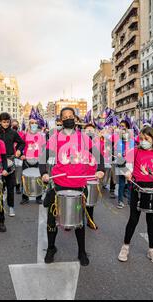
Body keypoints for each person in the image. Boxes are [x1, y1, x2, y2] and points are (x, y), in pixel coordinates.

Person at [40, 107, 105, 266]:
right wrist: (43, 173)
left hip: (78, 184)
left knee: (79, 220)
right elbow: (43, 156)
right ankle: (51, 248)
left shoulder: (83, 137)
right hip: (59, 185)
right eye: (65, 117)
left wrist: (101, 169)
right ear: (61, 120)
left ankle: (81, 251)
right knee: (52, 218)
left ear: (75, 118)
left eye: (71, 116)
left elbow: (97, 155)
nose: (68, 119)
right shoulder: (55, 138)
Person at [117, 127, 153, 264]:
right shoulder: (135, 151)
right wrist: (127, 173)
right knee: (133, 219)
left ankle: (151, 250)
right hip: (137, 188)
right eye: (141, 138)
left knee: (151, 220)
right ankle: (125, 246)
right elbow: (119, 162)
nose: (143, 141)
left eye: (146, 139)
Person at [0, 113, 25, 217]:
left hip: (10, 160)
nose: (5, 124)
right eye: (3, 122)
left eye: (7, 122)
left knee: (10, 186)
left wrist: (19, 150)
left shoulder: (13, 132)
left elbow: (22, 142)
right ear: (0, 121)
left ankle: (11, 206)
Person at [20, 118, 44, 205]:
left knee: (39, 179)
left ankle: (39, 197)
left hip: (38, 160)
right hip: (27, 159)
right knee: (25, 179)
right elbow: (20, 146)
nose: (34, 124)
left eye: (35, 123)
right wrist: (21, 155)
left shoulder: (41, 135)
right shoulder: (25, 135)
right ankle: (25, 197)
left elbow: (45, 147)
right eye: (32, 123)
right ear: (29, 125)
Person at [84, 123, 99, 229]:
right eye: (87, 130)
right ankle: (74, 218)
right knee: (78, 199)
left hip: (92, 174)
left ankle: (90, 220)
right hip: (80, 175)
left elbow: (101, 155)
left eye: (91, 130)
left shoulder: (98, 142)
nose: (89, 131)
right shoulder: (79, 141)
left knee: (90, 201)